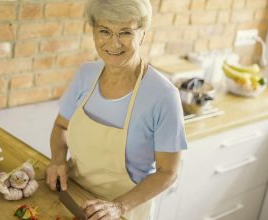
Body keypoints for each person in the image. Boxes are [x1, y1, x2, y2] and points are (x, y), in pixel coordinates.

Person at [45, 0, 187, 219]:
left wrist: (118, 207)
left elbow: (168, 172)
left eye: (125, 32)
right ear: (93, 32)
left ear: (143, 35)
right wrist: (57, 160)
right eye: (104, 31)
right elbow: (60, 126)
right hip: (72, 197)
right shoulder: (86, 74)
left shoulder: (163, 96)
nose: (114, 43)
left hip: (125, 211)